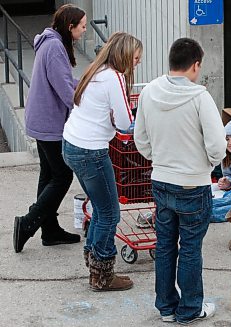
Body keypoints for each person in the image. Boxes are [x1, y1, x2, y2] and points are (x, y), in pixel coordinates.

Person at [134, 38, 226, 324]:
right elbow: (217, 146)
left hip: (161, 180)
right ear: (196, 65)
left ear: (171, 61)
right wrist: (205, 166)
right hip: (193, 184)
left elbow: (141, 139)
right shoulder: (200, 97)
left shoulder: (149, 91)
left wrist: (159, 160)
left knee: (164, 246)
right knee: (189, 248)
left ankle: (166, 307)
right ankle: (189, 310)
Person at [62, 32, 143, 291]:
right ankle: (103, 273)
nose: (138, 63)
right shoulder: (115, 77)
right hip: (91, 151)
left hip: (71, 145)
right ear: (125, 56)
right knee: (110, 212)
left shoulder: (95, 71)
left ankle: (93, 258)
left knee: (99, 207)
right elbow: (123, 123)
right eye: (136, 58)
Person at [14, 4, 86, 253]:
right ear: (70, 26)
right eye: (83, 26)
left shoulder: (51, 42)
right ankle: (28, 223)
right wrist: (86, 106)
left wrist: (86, 83)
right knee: (63, 175)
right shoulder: (55, 46)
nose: (85, 30)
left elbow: (65, 80)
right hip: (49, 122)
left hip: (42, 119)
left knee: (48, 175)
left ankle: (50, 230)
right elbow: (65, 90)